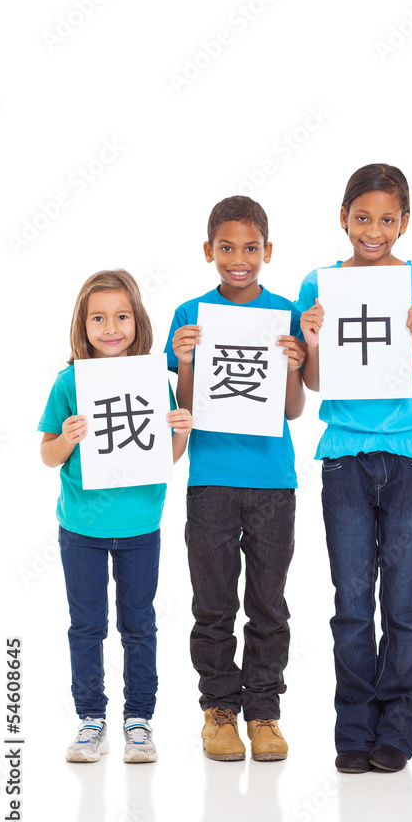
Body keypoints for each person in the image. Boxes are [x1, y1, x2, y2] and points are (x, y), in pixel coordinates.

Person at [297, 163, 412, 773]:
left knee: (404, 600)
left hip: (409, 455)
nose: (374, 230)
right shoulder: (320, 283)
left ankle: (402, 720)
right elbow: (311, 384)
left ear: (405, 222)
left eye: (388, 220)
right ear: (343, 218)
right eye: (363, 218)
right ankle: (354, 725)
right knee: (353, 600)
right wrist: (309, 343)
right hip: (344, 458)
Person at [166, 196, 306, 762]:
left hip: (273, 479)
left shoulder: (287, 312)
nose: (239, 259)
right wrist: (187, 362)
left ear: (268, 251)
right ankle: (218, 710)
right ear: (209, 252)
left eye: (251, 248)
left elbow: (292, 409)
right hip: (211, 481)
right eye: (227, 248)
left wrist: (295, 366)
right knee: (214, 600)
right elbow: (182, 411)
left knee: (269, 603)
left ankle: (265, 711)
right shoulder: (189, 315)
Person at [38, 269, 192, 763]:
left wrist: (182, 430)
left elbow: (164, 457)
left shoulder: (150, 381)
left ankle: (139, 720)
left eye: (122, 317)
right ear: (82, 326)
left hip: (140, 526)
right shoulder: (69, 382)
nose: (111, 328)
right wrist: (68, 437)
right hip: (81, 527)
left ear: (138, 321)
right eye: (98, 318)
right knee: (86, 626)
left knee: (139, 624)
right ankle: (90, 720)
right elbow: (47, 454)